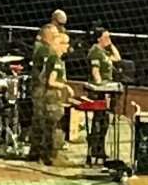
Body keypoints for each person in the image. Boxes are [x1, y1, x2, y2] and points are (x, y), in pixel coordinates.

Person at [30, 31, 76, 166]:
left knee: (47, 126)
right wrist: (65, 87)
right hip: (52, 98)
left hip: (51, 97)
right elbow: (51, 81)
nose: (68, 47)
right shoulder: (55, 60)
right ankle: (49, 156)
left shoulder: (55, 59)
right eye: (66, 43)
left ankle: (43, 154)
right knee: (52, 126)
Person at [85, 28, 121, 160]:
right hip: (100, 91)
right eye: (106, 37)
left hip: (108, 88)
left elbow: (117, 57)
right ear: (98, 38)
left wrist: (111, 45)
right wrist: (101, 87)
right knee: (99, 120)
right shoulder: (95, 52)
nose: (108, 39)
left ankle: (101, 147)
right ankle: (95, 147)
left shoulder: (104, 52)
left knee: (105, 120)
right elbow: (96, 71)